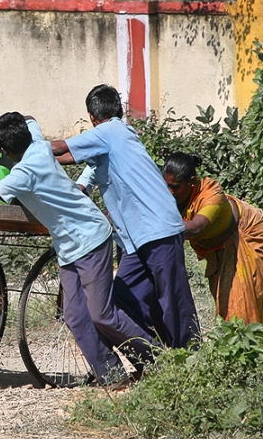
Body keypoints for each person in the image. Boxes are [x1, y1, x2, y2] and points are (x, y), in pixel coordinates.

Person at [0, 112, 152, 386]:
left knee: (102, 314)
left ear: (5, 151)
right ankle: (113, 376)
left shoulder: (25, 172)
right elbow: (27, 117)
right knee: (75, 316)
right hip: (69, 245)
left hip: (90, 237)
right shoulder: (38, 143)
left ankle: (158, 361)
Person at [50, 84, 200, 350]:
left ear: (92, 118)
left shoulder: (109, 132)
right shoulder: (114, 139)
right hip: (134, 238)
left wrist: (23, 150)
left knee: (173, 301)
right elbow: (84, 164)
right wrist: (77, 186)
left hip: (158, 229)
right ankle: (155, 358)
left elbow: (61, 148)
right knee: (122, 301)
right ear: (119, 109)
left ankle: (191, 361)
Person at [162, 152, 263, 328]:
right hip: (216, 247)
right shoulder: (168, 195)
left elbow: (198, 227)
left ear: (191, 181)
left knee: (242, 303)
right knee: (225, 303)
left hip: (246, 233)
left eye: (175, 186)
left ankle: (253, 348)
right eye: (166, 185)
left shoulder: (211, 192)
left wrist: (155, 227)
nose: (169, 191)